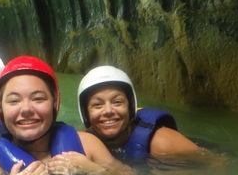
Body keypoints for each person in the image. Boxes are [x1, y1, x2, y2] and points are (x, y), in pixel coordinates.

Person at [0, 56, 135, 175]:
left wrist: (93, 170)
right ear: (0, 108)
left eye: (38, 98)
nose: (26, 109)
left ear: (55, 104)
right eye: (14, 100)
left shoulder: (87, 145)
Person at [77, 65, 210, 164]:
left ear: (130, 107)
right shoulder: (83, 142)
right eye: (97, 105)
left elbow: (215, 164)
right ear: (86, 113)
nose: (108, 111)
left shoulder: (161, 142)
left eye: (117, 102)